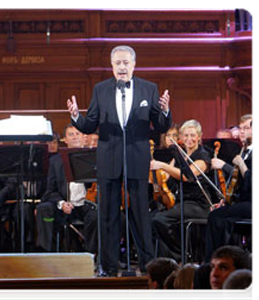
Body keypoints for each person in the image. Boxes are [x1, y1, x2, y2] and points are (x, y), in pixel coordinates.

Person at [67, 45, 172, 274]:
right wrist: (76, 116)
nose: (122, 67)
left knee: (141, 214)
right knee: (108, 215)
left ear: (134, 64)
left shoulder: (149, 89)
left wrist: (164, 111)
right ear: (112, 66)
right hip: (108, 159)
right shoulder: (100, 89)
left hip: (137, 157)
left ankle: (147, 265)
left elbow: (161, 126)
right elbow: (90, 124)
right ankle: (109, 265)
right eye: (118, 63)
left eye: (126, 63)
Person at [151, 119, 210, 261]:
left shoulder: (203, 156)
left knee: (161, 219)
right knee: (152, 218)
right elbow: (166, 176)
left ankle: (181, 254)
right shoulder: (180, 155)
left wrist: (163, 166)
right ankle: (164, 258)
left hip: (198, 204)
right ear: (181, 137)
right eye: (186, 135)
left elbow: (187, 175)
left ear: (199, 137)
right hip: (181, 201)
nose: (189, 139)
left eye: (192, 135)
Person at [36, 124, 97, 254]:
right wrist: (61, 203)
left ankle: (90, 255)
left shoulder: (92, 157)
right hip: (64, 205)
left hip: (86, 205)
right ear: (65, 139)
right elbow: (50, 190)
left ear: (84, 137)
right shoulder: (55, 161)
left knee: (96, 216)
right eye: (71, 134)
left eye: (77, 134)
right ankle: (46, 253)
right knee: (44, 208)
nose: (75, 137)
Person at [205, 116, 255, 261]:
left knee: (217, 218)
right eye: (243, 128)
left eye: (249, 128)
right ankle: (223, 260)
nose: (243, 132)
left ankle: (213, 262)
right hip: (246, 202)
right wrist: (227, 201)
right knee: (218, 214)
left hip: (254, 204)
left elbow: (253, 185)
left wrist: (241, 164)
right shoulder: (245, 151)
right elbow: (238, 186)